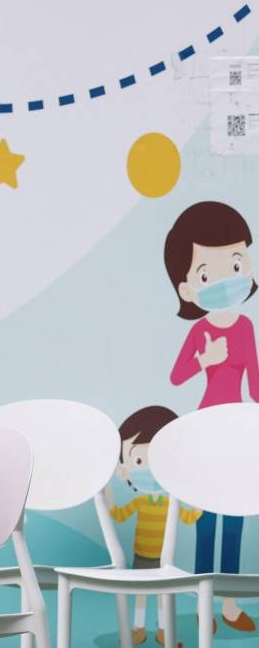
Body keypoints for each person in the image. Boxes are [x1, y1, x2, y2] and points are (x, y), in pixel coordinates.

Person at [164, 200, 258, 633]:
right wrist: (204, 359)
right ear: (188, 289)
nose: (224, 279)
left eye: (235, 263)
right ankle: (204, 604)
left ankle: (230, 605)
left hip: (237, 434)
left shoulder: (245, 328)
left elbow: (255, 387)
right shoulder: (199, 331)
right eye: (208, 273)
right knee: (206, 526)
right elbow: (178, 375)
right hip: (205, 433)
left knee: (235, 524)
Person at [106, 406, 202, 646]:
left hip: (163, 558)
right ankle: (138, 628)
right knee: (141, 594)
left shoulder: (172, 501)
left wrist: (199, 498)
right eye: (138, 460)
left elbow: (189, 518)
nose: (147, 467)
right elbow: (118, 515)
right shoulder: (139, 501)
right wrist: (105, 491)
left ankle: (163, 630)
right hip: (141, 555)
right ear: (124, 467)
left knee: (163, 595)